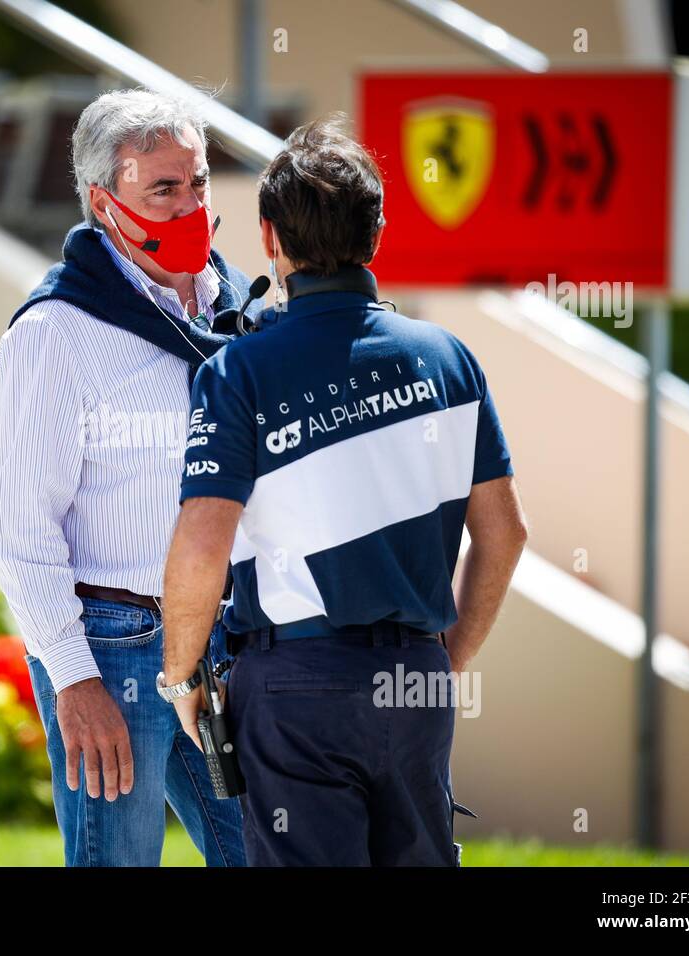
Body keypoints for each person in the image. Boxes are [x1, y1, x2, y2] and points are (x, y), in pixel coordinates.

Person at [161, 115, 529, 866]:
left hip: (295, 686)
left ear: (269, 238)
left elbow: (203, 544)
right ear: (378, 232)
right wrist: (442, 660)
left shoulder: (240, 372)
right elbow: (505, 534)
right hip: (416, 679)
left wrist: (178, 677)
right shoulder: (447, 357)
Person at [0, 89, 261, 866]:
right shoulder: (55, 332)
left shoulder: (238, 311)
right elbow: (20, 534)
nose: (190, 206)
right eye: (164, 190)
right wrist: (73, 680)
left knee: (266, 855)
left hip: (228, 639)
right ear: (104, 203)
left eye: (199, 182)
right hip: (114, 647)